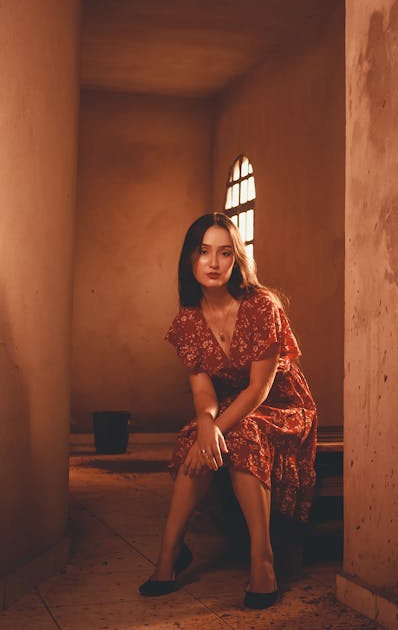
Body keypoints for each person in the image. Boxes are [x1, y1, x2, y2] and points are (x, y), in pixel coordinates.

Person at [139, 212, 317, 609]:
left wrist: (217, 427)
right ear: (190, 258)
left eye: (224, 253)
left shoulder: (261, 306)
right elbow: (203, 392)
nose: (214, 263)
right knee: (193, 440)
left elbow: (260, 388)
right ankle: (168, 556)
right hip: (227, 406)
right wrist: (205, 424)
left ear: (237, 260)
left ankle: (262, 560)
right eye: (204, 252)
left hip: (279, 402)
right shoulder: (187, 321)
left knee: (243, 433)